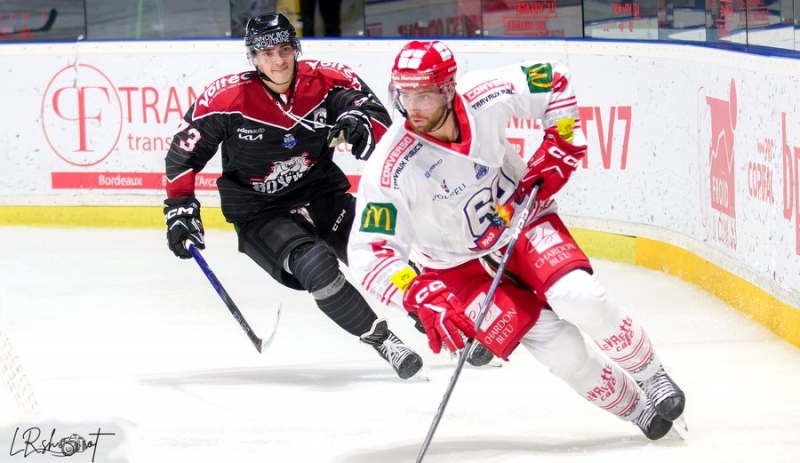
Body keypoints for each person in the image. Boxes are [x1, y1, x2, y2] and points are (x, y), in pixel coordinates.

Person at [347, 40, 686, 439]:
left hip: (519, 218)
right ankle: (636, 409)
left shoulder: (483, 95)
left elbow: (553, 79)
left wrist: (561, 139)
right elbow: (370, 252)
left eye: (423, 94)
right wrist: (414, 291)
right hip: (456, 269)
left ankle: (652, 376)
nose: (412, 106)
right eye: (404, 94)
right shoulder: (390, 167)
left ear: (448, 89)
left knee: (581, 298)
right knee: (562, 352)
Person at [162, 12, 424, 380]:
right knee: (317, 266)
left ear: (295, 48)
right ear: (253, 57)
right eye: (267, 53)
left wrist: (359, 122)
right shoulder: (226, 98)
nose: (278, 61)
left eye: (285, 49)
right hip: (260, 210)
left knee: (379, 254)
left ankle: (433, 313)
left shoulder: (328, 80)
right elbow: (183, 154)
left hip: (321, 193)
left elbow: (374, 115)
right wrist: (179, 207)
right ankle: (383, 341)